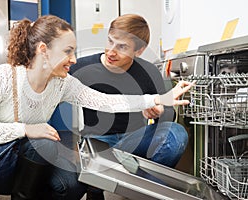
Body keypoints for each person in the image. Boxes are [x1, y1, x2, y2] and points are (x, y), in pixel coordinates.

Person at [0, 15, 193, 200]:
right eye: (68, 51)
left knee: (73, 184)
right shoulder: (4, 76)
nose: (74, 59)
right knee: (42, 141)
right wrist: (25, 129)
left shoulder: (63, 83)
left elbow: (105, 101)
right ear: (44, 50)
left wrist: (156, 100)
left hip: (38, 156)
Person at [70, 14, 191, 199]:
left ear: (139, 50)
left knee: (176, 134)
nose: (111, 51)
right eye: (110, 41)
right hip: (98, 142)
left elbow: (168, 112)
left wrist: (158, 112)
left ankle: (143, 191)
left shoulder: (148, 71)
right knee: (90, 179)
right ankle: (97, 189)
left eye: (122, 47)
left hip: (134, 140)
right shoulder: (82, 67)